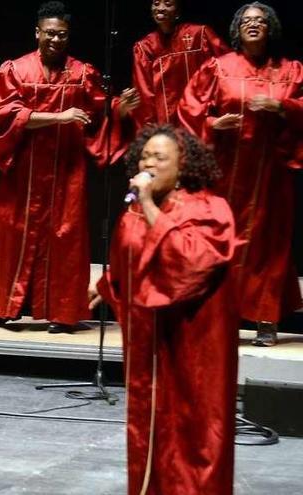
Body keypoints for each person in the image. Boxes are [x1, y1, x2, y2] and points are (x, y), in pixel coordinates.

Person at [92, 124, 239, 495]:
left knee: (194, 434)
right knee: (150, 429)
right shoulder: (134, 213)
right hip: (147, 346)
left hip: (193, 347)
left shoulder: (210, 208)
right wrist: (105, 287)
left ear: (183, 165)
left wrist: (147, 205)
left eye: (160, 157)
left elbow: (191, 264)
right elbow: (130, 265)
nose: (149, 164)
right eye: (145, 156)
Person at [0, 1, 139, 333]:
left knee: (65, 240)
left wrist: (122, 109)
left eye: (62, 35)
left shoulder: (82, 73)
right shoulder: (16, 70)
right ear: (37, 33)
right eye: (49, 33)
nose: (55, 40)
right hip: (24, 172)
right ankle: (6, 310)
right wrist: (60, 117)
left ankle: (63, 315)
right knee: (14, 237)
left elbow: (100, 112)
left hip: (67, 172)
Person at [178, 2, 303, 346]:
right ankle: (222, 315)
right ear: (236, 29)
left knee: (270, 246)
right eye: (246, 20)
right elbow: (188, 111)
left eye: (260, 20)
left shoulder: (291, 70)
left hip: (271, 177)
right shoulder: (217, 67)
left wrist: (283, 106)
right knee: (222, 243)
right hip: (226, 175)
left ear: (270, 28)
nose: (253, 25)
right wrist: (213, 123)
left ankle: (266, 320)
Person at [131, 0, 229, 127]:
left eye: (168, 4)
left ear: (177, 11)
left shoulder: (200, 35)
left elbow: (227, 66)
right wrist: (150, 130)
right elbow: (144, 94)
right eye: (156, 4)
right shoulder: (145, 47)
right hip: (166, 124)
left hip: (200, 117)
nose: (160, 8)